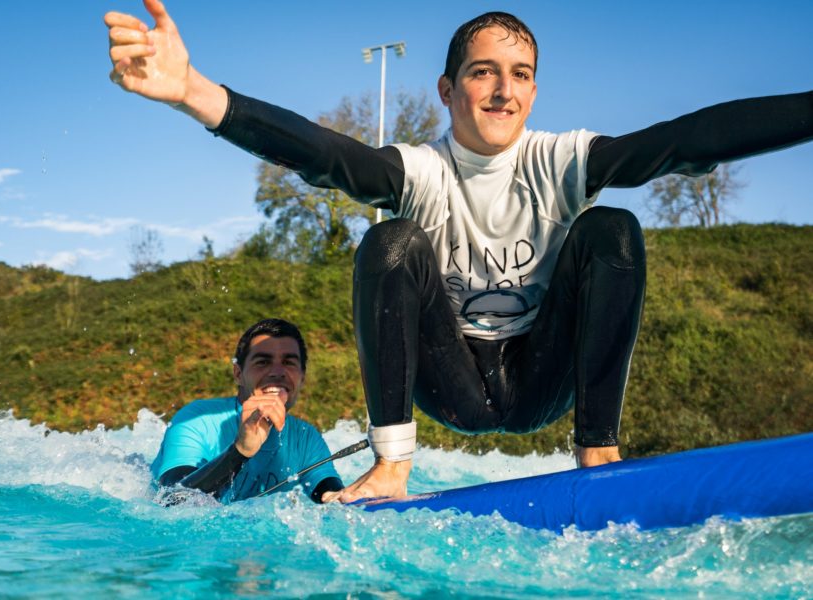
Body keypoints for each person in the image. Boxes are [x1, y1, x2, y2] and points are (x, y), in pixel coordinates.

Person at [107, 1, 813, 503]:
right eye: (483, 72)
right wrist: (196, 94)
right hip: (452, 382)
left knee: (613, 229)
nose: (503, 89)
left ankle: (598, 449)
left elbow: (685, 143)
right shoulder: (421, 171)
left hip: (542, 377)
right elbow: (324, 154)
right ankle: (392, 465)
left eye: (521, 73)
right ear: (447, 89)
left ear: (535, 89)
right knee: (390, 241)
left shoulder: (563, 160)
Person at [150, 318, 343, 504]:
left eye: (289, 362)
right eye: (263, 362)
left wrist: (345, 497)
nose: (277, 371)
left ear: (302, 377)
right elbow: (171, 500)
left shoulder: (306, 438)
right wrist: (240, 450)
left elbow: (334, 498)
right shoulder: (196, 419)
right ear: (238, 374)